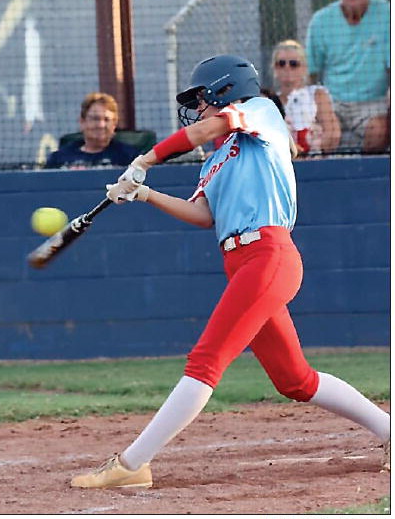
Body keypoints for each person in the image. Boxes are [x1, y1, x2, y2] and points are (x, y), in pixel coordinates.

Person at [71, 54, 390, 490]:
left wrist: (146, 158)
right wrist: (144, 193)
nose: (198, 109)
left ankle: (131, 464)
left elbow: (207, 127)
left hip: (269, 254)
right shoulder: (214, 161)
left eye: (202, 98)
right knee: (295, 380)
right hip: (240, 262)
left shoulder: (261, 113)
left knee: (205, 361)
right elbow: (203, 214)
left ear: (225, 91)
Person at [306, 0, 390, 153]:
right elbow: (310, 74)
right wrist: (314, 107)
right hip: (333, 101)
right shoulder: (321, 21)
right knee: (324, 134)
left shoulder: (387, 14)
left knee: (380, 132)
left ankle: (364, 175)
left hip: (373, 102)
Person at [272, 39, 340, 154]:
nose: (287, 68)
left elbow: (333, 134)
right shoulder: (270, 102)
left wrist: (310, 148)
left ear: (304, 68)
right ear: (275, 68)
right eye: (281, 63)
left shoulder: (317, 95)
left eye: (294, 64)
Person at [45, 92, 138, 169]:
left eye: (107, 119)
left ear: (114, 124)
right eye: (95, 119)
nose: (101, 125)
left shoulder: (129, 157)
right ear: (82, 122)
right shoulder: (59, 159)